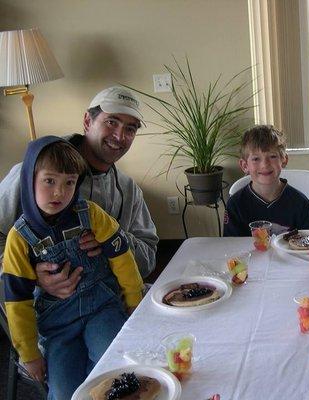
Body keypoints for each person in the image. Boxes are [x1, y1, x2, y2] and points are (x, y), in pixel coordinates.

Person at [3, 136, 144, 400]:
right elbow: (17, 300)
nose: (59, 192)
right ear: (29, 180)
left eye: (69, 182)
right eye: (49, 181)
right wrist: (29, 353)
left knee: (114, 370)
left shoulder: (91, 214)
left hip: (102, 308)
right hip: (58, 325)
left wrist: (134, 300)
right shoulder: (18, 238)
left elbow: (122, 257)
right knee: (63, 392)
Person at [0, 86, 158, 297]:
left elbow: (148, 260)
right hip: (48, 312)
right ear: (87, 121)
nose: (120, 136)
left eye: (130, 129)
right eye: (111, 122)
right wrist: (32, 276)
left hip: (111, 303)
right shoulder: (31, 174)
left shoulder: (129, 191)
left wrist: (114, 239)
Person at [223, 125, 309, 236]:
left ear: (284, 160)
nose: (265, 164)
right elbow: (230, 247)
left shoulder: (300, 202)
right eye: (256, 159)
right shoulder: (235, 204)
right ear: (244, 165)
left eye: (272, 156)